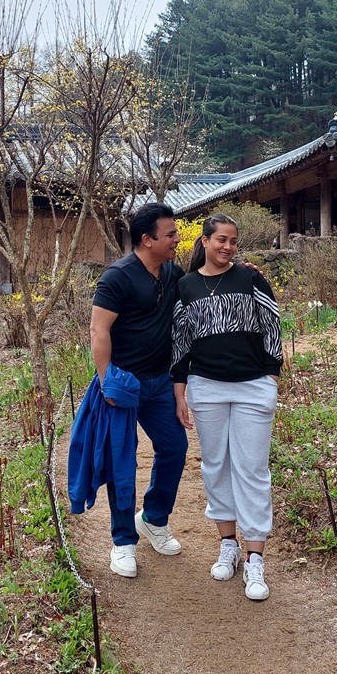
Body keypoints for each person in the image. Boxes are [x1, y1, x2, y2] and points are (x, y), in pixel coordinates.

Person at [171, 213, 283, 601]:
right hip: (206, 387)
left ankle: (255, 558)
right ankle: (229, 544)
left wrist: (271, 376)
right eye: (221, 239)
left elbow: (273, 323)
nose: (228, 247)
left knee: (252, 469)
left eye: (233, 241)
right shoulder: (186, 286)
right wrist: (180, 390)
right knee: (216, 464)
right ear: (204, 241)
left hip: (253, 386)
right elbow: (179, 340)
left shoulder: (250, 278)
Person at [86, 202, 189, 578]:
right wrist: (106, 381)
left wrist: (240, 274)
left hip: (160, 381)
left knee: (175, 448)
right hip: (124, 384)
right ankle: (123, 541)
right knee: (121, 461)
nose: (177, 240)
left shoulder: (171, 272)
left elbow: (200, 287)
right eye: (171, 234)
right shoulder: (117, 277)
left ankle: (154, 518)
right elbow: (99, 330)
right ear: (147, 240)